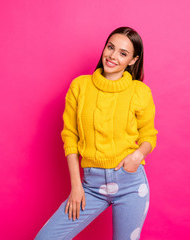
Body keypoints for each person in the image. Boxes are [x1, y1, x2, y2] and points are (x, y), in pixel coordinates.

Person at [34, 26, 158, 240]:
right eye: (110, 47)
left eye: (123, 53)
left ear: (132, 60)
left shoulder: (140, 92)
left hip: (130, 184)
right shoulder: (80, 87)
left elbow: (149, 135)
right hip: (91, 186)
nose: (113, 56)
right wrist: (76, 187)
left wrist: (137, 156)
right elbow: (70, 137)